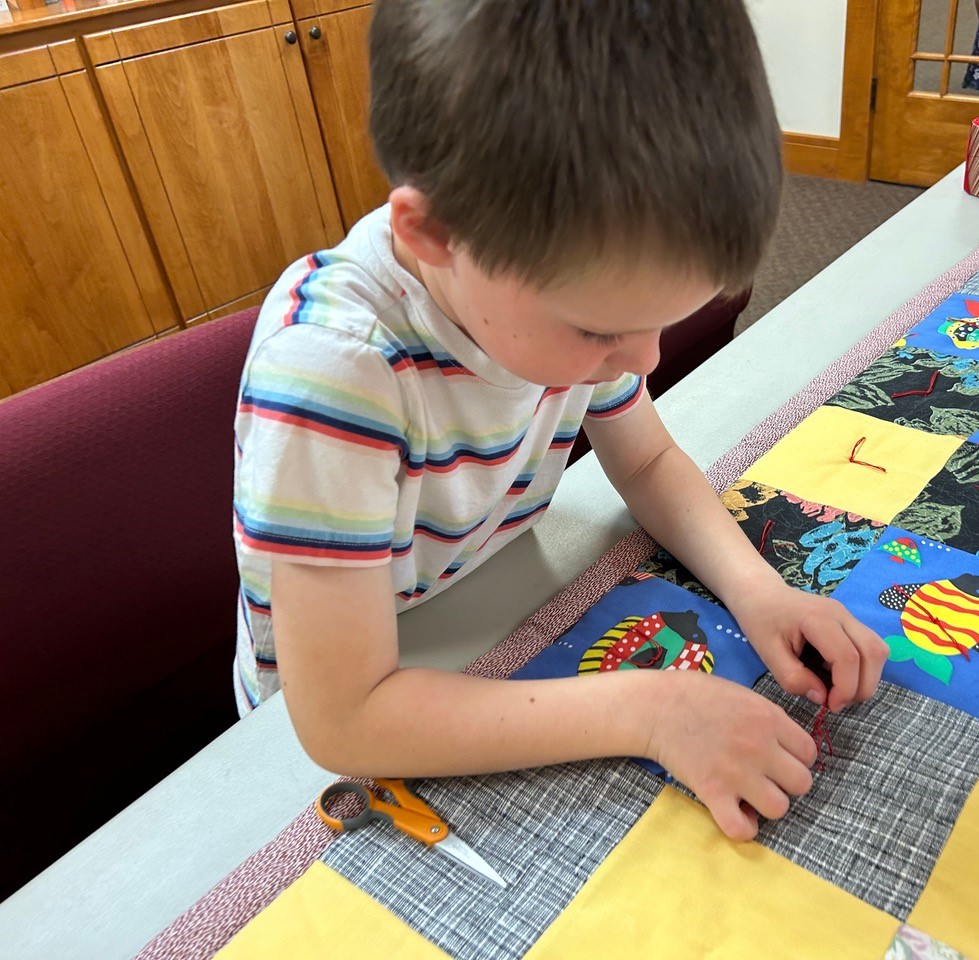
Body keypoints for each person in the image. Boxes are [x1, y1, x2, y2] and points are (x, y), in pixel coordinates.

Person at [232, 0, 887, 842]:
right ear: (432, 235)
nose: (645, 359)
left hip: (493, 615)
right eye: (600, 329)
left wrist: (759, 589)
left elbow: (645, 462)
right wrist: (653, 710)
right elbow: (343, 722)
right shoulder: (335, 374)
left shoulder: (549, 295)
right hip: (329, 730)